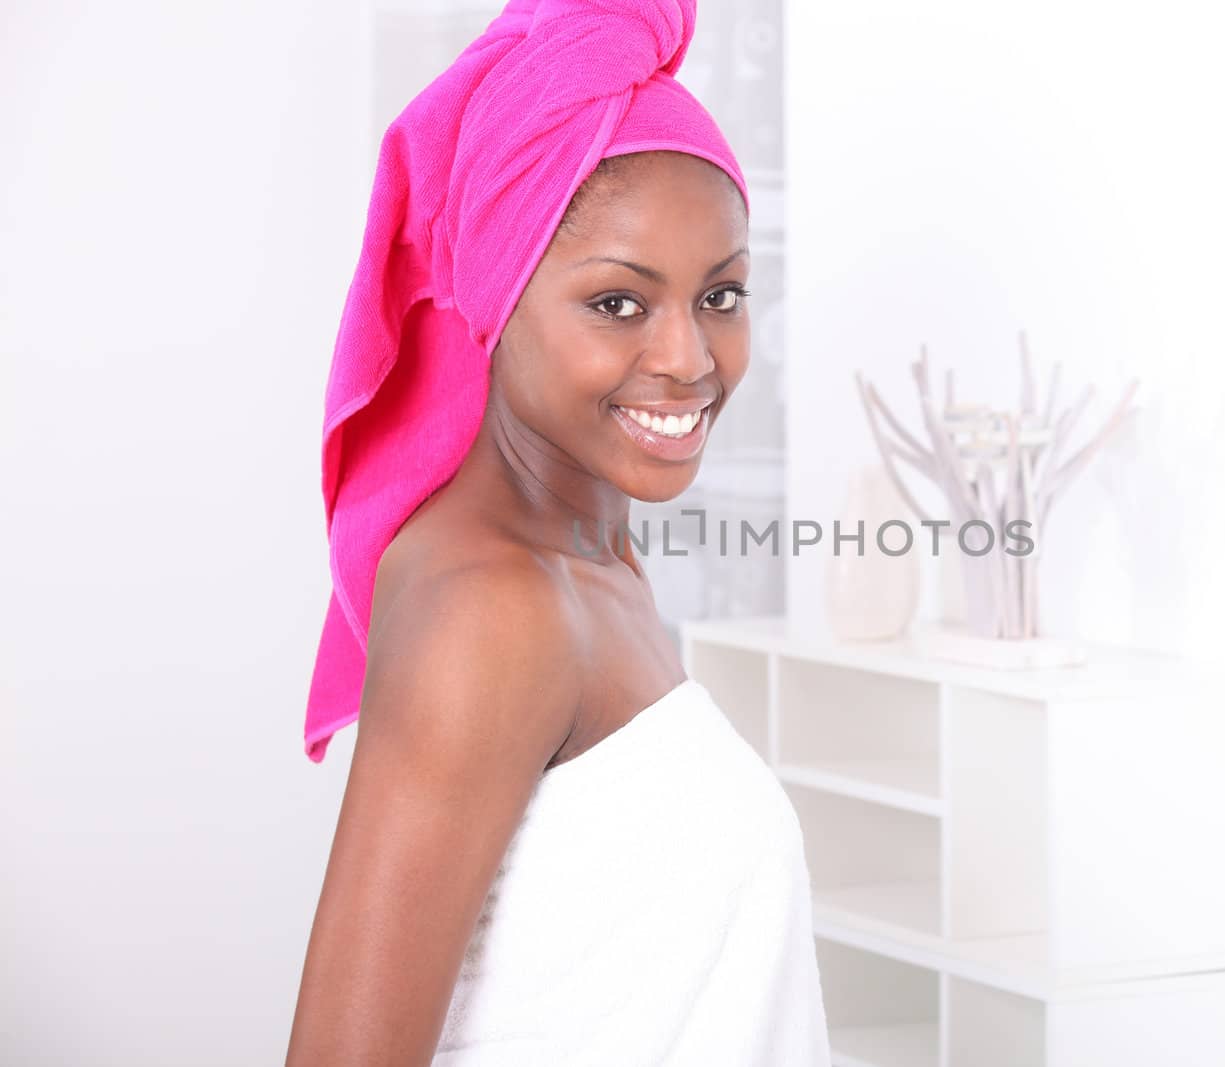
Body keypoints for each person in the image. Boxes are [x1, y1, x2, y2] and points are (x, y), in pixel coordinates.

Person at [284, 3, 831, 1063]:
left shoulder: (594, 558)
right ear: (499, 296)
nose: (689, 356)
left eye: (721, 293)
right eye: (619, 304)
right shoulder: (491, 609)